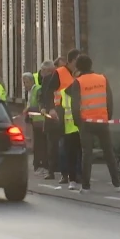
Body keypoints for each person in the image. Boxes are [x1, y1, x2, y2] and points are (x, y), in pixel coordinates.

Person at [66, 54, 120, 193]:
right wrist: (108, 116)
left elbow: (75, 104)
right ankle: (117, 184)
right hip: (102, 120)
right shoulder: (102, 79)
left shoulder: (78, 82)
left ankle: (85, 186)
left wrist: (78, 122)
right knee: (109, 152)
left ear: (78, 67)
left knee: (87, 154)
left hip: (86, 122)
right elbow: (109, 99)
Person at [40, 50, 80, 181]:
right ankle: (64, 174)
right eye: (77, 61)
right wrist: (50, 108)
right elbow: (48, 91)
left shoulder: (79, 74)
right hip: (60, 111)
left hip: (75, 112)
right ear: (73, 60)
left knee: (75, 144)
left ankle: (76, 173)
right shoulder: (60, 73)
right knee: (62, 143)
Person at [61, 75, 83, 190]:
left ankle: (75, 179)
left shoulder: (65, 92)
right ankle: (73, 178)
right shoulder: (65, 92)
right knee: (74, 155)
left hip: (75, 127)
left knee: (77, 155)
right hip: (73, 128)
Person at [23, 71, 47, 175]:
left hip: (40, 121)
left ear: (32, 81)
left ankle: (41, 165)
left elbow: (40, 105)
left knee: (40, 144)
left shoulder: (37, 90)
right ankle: (37, 164)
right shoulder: (29, 92)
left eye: (26, 82)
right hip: (35, 121)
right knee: (37, 144)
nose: (25, 85)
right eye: (24, 82)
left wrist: (28, 109)